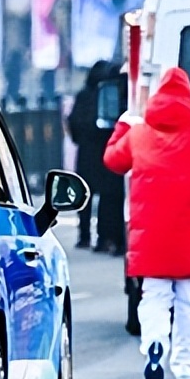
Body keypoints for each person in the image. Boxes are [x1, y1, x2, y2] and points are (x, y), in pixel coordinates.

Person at [104, 68, 190, 379]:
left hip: (150, 235)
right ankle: (187, 367)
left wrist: (125, 122)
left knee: (154, 296)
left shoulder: (138, 136)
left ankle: (155, 342)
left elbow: (112, 160)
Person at [67, 61, 122, 252]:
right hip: (107, 150)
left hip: (86, 152)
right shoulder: (111, 93)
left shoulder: (83, 95)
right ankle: (103, 238)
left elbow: (73, 121)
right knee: (108, 197)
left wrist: (80, 139)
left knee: (84, 195)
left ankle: (84, 236)